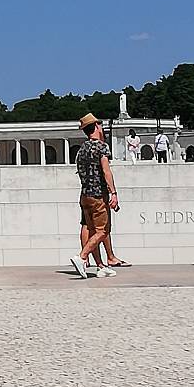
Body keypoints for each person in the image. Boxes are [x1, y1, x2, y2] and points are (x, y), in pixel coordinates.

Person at [71, 113, 121, 278]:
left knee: (92, 230)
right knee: (103, 230)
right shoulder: (101, 147)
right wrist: (113, 192)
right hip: (98, 195)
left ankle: (100, 266)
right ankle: (82, 256)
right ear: (97, 127)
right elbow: (106, 171)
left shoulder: (81, 150)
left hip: (84, 195)